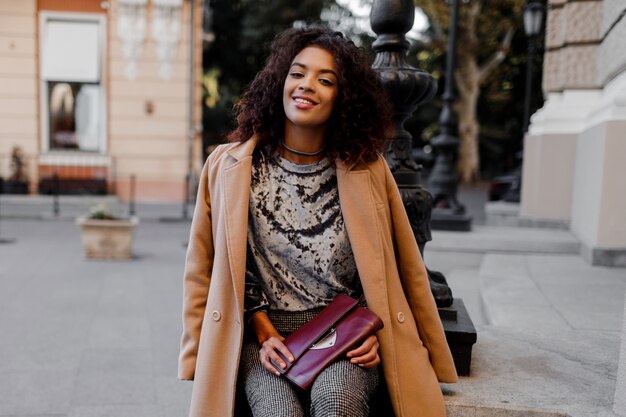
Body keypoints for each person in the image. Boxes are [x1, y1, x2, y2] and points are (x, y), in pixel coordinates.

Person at [178, 26, 458, 417]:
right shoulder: (229, 166)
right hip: (263, 336)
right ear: (280, 82)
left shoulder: (368, 169)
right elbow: (201, 270)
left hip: (342, 332)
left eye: (325, 79)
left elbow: (404, 267)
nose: (306, 85)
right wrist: (223, 343)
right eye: (297, 73)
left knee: (337, 403)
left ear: (343, 97)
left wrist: (375, 331)